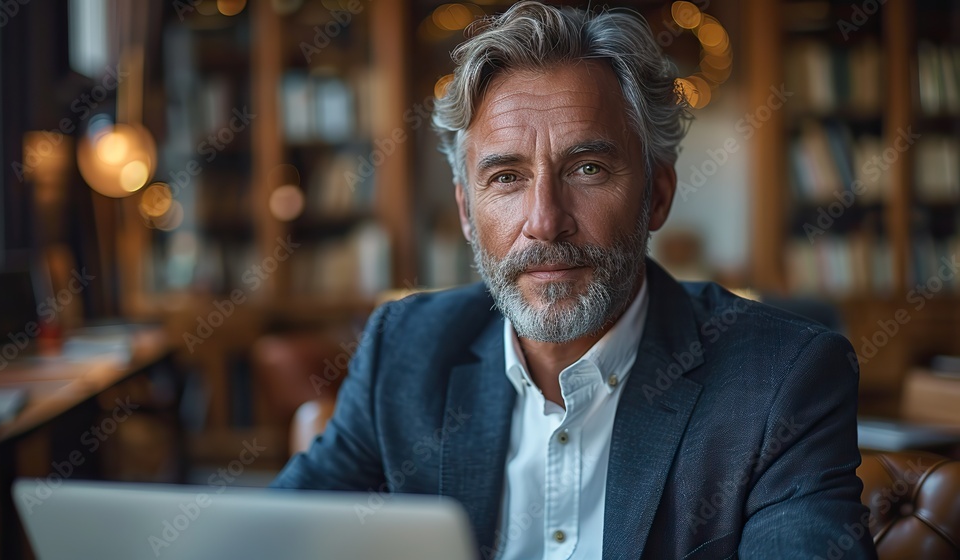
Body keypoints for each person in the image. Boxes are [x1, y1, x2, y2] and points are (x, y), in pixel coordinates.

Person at [272, 2, 876, 558]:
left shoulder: (782, 378)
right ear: (465, 210)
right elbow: (275, 539)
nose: (545, 222)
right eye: (506, 177)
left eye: (588, 168)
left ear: (657, 195)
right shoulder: (403, 351)